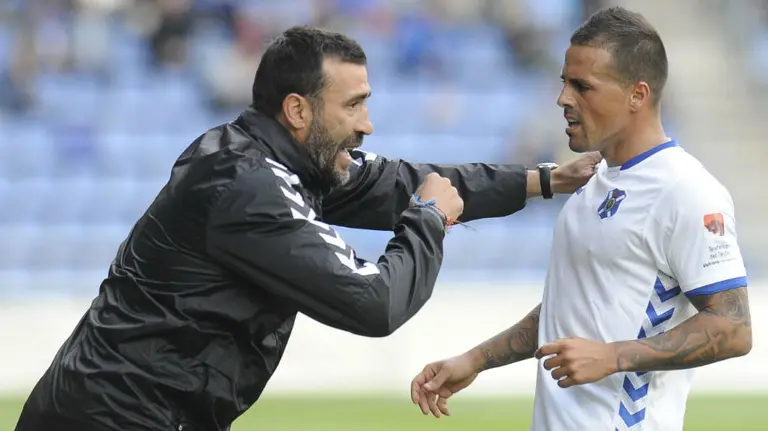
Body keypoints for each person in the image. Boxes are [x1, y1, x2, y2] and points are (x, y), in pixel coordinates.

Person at [15, 26, 598, 431]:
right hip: (111, 417)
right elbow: (373, 303)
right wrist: (427, 221)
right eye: (354, 106)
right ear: (299, 111)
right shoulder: (248, 187)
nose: (368, 124)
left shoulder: (283, 161)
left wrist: (542, 180)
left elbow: (404, 181)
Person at [410, 7, 752, 431]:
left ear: (637, 95)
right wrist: (475, 360)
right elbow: (571, 310)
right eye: (563, 83)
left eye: (582, 86)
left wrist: (612, 356)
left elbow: (734, 328)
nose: (563, 99)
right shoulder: (592, 180)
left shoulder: (686, 190)